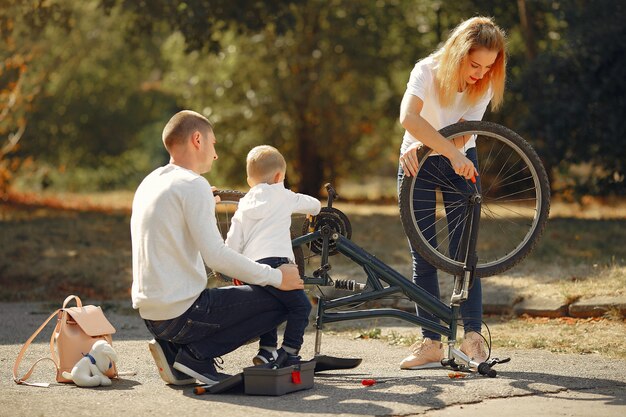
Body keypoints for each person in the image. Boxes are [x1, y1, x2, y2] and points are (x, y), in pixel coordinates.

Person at [130, 110, 304, 387]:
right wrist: (278, 278)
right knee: (284, 300)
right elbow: (217, 257)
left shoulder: (151, 182)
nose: (215, 154)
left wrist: (203, 207)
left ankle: (174, 351)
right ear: (197, 139)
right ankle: (196, 356)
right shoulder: (192, 184)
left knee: (256, 293)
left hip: (153, 316)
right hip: (182, 314)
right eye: (214, 144)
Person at [397, 17, 507, 369]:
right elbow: (408, 118)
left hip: (459, 157)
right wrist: (431, 148)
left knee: (464, 254)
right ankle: (430, 342)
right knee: (424, 254)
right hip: (417, 163)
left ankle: (473, 337)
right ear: (458, 53)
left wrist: (449, 151)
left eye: (488, 67)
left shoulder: (484, 85)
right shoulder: (426, 71)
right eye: (475, 64)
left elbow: (465, 132)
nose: (480, 73)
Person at [225, 145, 321, 368]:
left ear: (250, 179)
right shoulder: (284, 195)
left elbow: (231, 244)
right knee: (301, 307)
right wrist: (311, 209)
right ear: (279, 176)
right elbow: (314, 205)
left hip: (251, 268)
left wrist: (237, 270)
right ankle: (289, 351)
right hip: (278, 265)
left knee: (267, 305)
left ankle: (267, 350)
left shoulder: (244, 205)